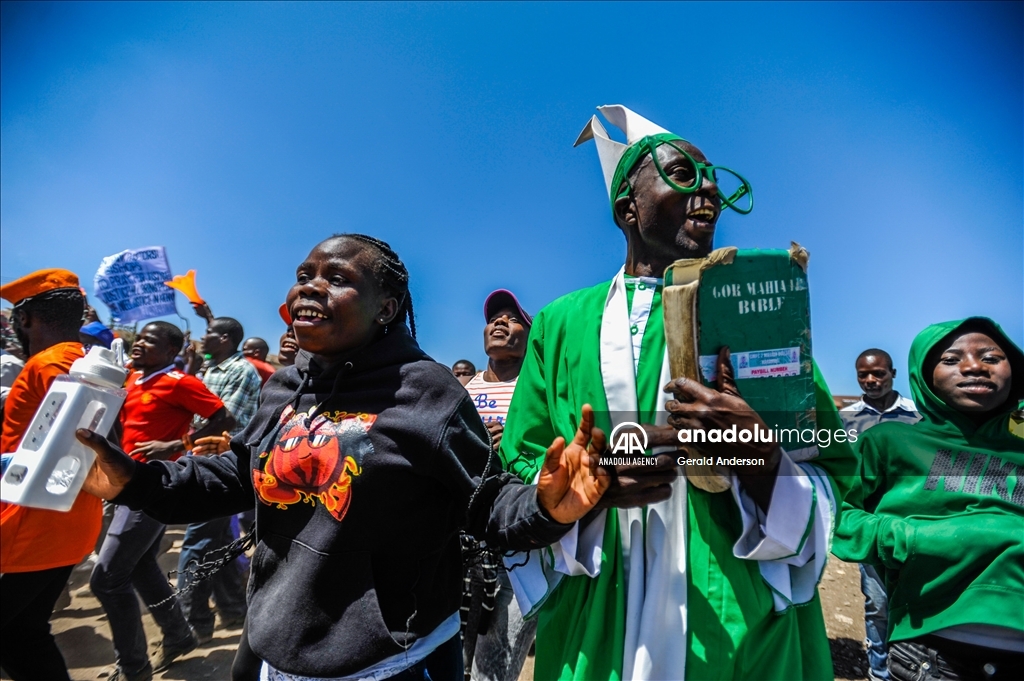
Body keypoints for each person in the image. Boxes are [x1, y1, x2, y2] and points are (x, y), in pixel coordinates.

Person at [77, 233, 614, 680]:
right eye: (305, 273)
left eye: (336, 278)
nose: (310, 286)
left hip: (393, 659)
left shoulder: (427, 390)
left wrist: (547, 507)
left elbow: (485, 502)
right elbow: (240, 473)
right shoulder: (285, 386)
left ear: (386, 307)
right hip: (275, 646)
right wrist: (138, 481)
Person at [498, 105, 857, 680]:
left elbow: (833, 473)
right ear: (628, 209)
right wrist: (587, 490)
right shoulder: (561, 324)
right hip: (599, 615)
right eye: (683, 175)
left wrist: (760, 460)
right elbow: (523, 465)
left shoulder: (759, 313)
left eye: (712, 176)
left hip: (740, 620)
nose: (708, 188)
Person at [833, 318, 1023, 681]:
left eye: (991, 357)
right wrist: (908, 539)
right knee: (878, 608)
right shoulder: (890, 439)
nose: (973, 366)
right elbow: (835, 509)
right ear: (924, 375)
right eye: (951, 359)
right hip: (935, 650)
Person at [90, 321, 236, 681]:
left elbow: (223, 416)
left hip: (155, 487)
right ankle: (178, 635)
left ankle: (132, 667)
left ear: (172, 352)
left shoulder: (179, 382)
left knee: (107, 579)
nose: (139, 344)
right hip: (123, 486)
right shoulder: (131, 380)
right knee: (140, 568)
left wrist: (176, 445)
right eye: (139, 338)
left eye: (150, 341)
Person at [0, 269, 100, 681]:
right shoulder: (85, 360)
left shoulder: (50, 363)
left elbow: (81, 447)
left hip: (29, 527)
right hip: (67, 523)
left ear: (24, 319)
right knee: (22, 634)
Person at [462, 289, 534, 680]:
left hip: (518, 549)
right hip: (461, 545)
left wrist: (511, 443)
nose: (500, 323)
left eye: (513, 318)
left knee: (493, 669)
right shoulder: (461, 391)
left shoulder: (538, 392)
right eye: (494, 318)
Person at [177, 316, 261, 643]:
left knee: (196, 542)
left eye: (209, 332)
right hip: (201, 460)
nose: (203, 336)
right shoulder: (208, 371)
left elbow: (227, 421)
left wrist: (180, 445)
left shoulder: (240, 372)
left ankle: (189, 623)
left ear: (225, 339)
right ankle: (232, 608)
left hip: (220, 466)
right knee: (219, 541)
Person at [841, 348, 921, 681]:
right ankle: (879, 673)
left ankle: (914, 669)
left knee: (915, 603)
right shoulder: (844, 421)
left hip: (914, 525)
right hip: (869, 524)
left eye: (879, 374)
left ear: (893, 373)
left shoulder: (918, 418)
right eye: (864, 375)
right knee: (878, 604)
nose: (871, 380)